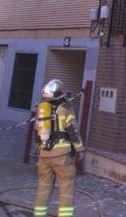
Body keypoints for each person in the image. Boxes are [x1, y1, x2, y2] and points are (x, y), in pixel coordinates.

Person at [33, 79, 85, 217]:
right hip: (62, 156)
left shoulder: (42, 109)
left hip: (44, 155)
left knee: (43, 188)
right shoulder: (66, 109)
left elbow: (37, 133)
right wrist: (80, 150)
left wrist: (40, 150)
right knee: (66, 187)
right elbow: (73, 132)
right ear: (60, 93)